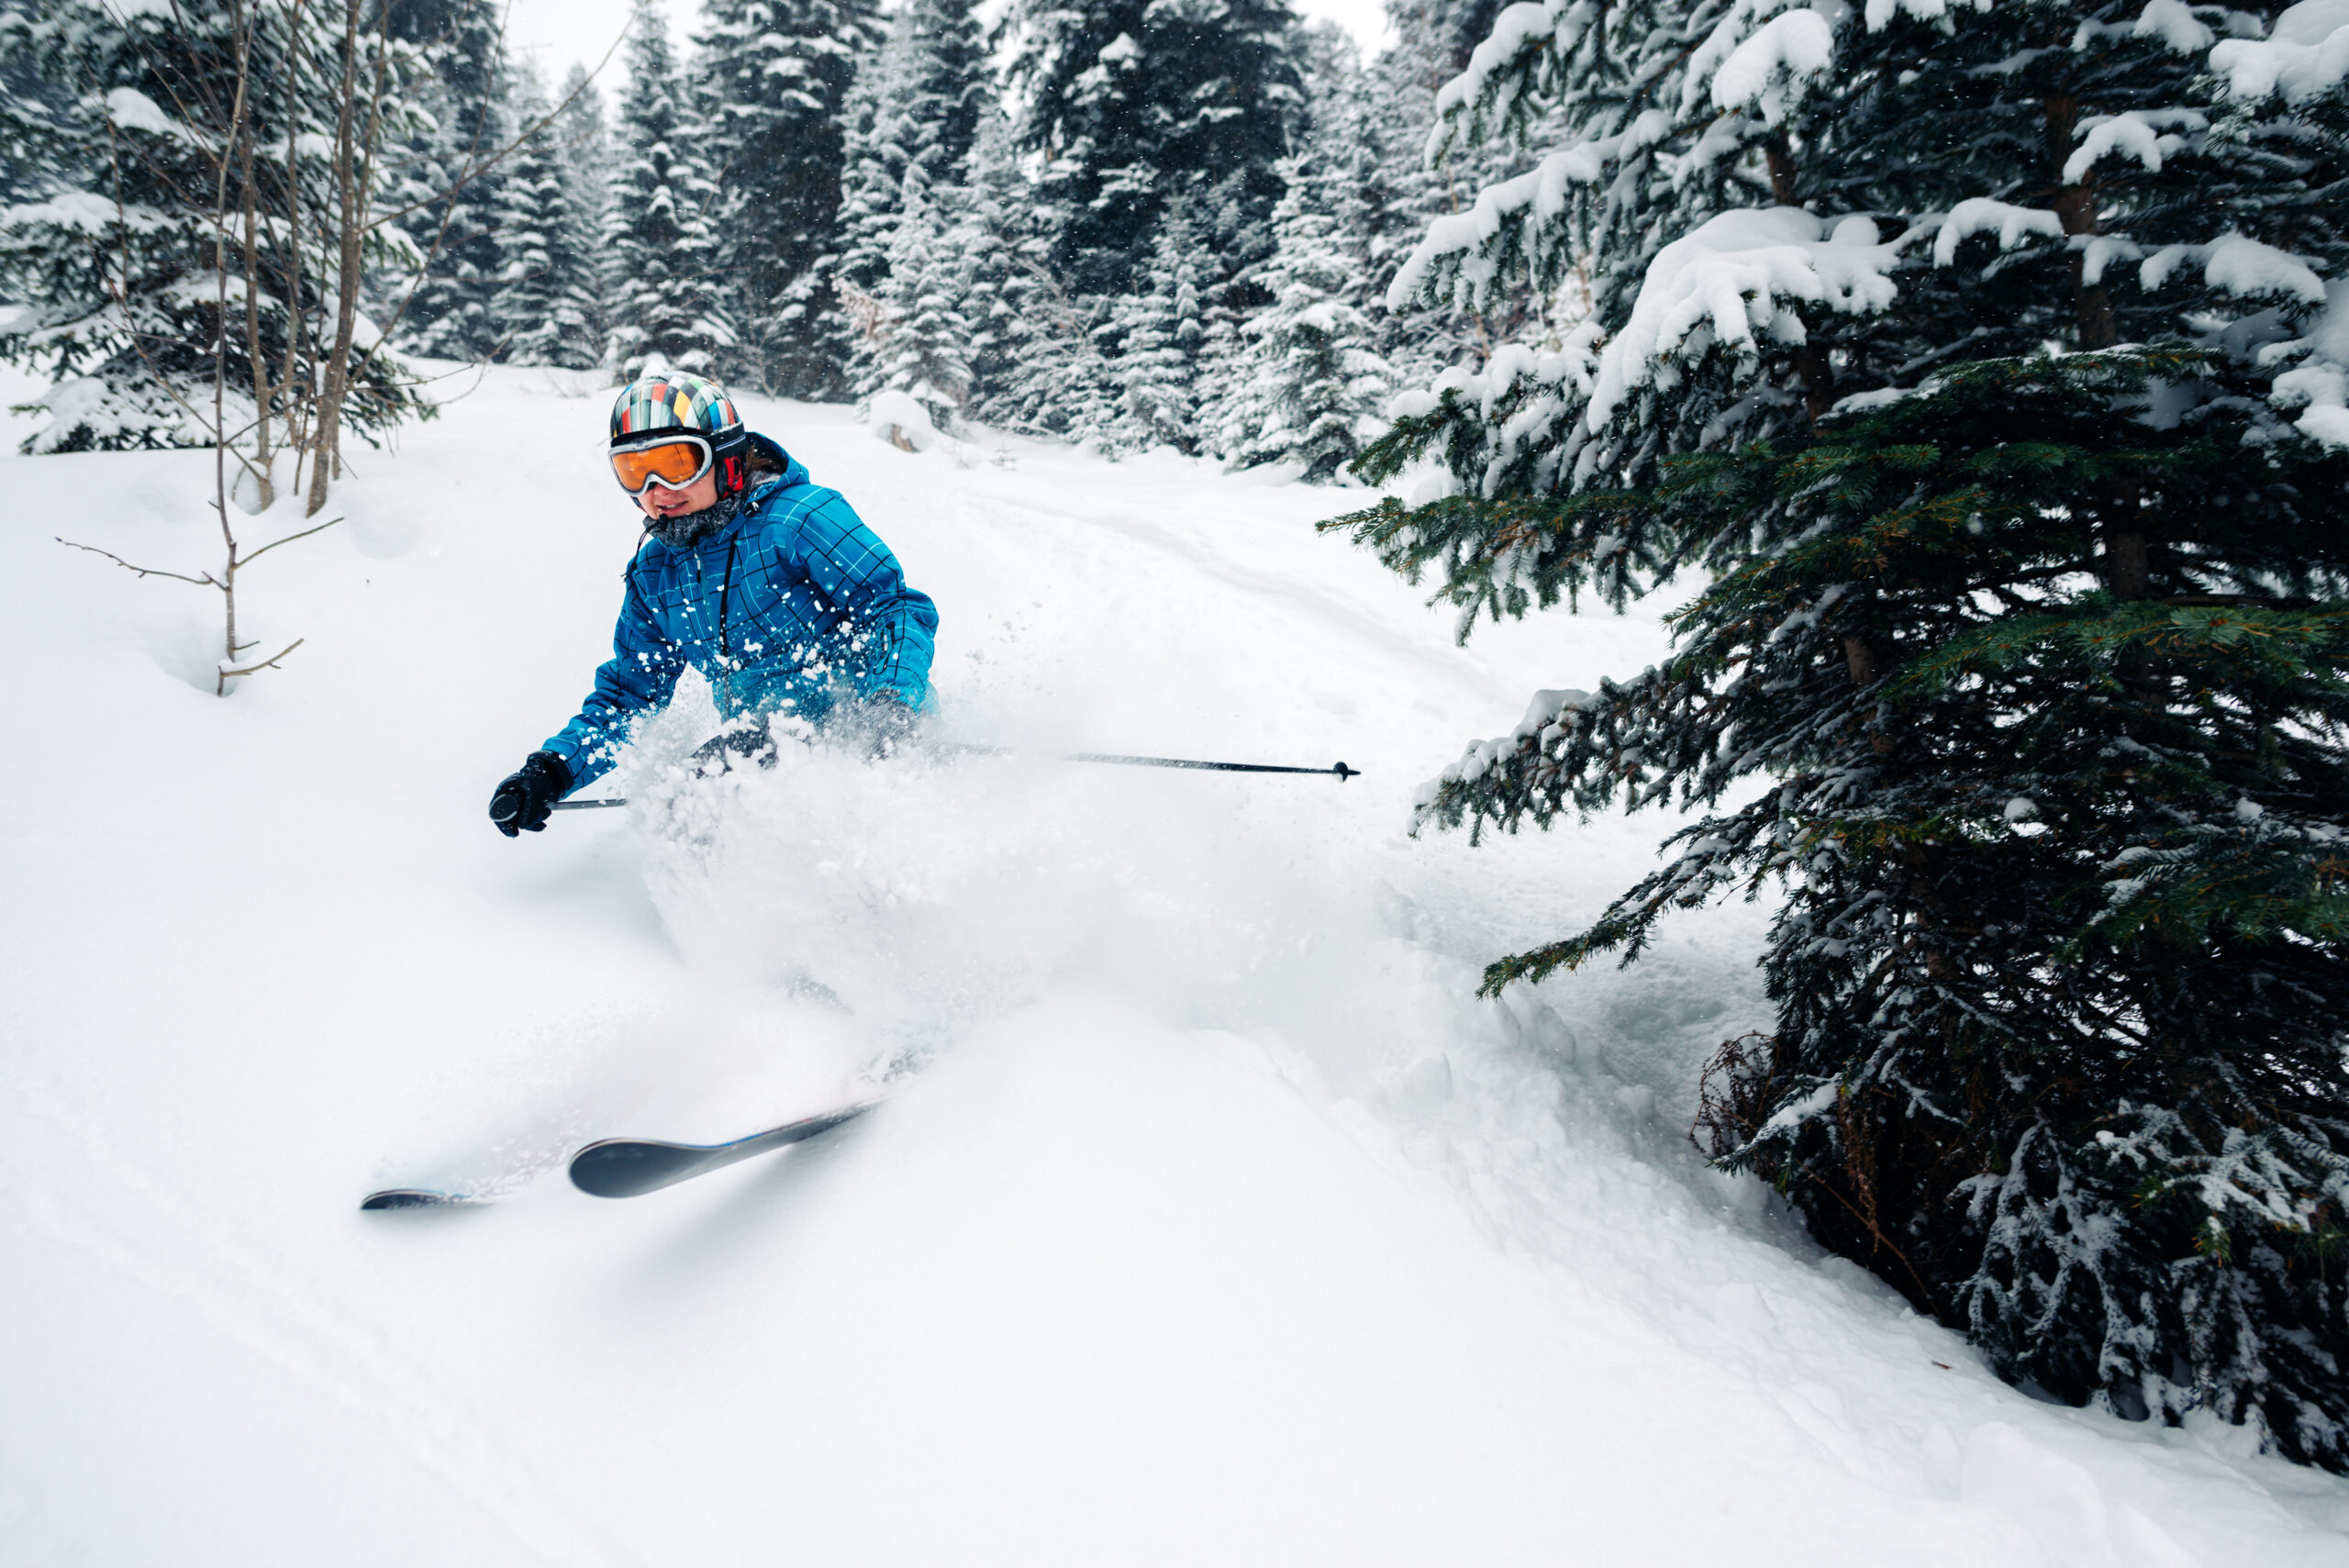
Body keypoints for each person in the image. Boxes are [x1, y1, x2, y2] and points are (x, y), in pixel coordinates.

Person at [489, 372, 939, 838]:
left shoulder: (798, 519)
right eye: (633, 471)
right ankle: (736, 907)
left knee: (711, 780)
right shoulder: (655, 576)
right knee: (688, 805)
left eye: (676, 463)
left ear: (725, 459)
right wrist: (552, 771)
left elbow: (896, 607)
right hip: (763, 749)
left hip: (871, 724)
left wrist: (891, 705)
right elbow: (628, 697)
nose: (656, 489)